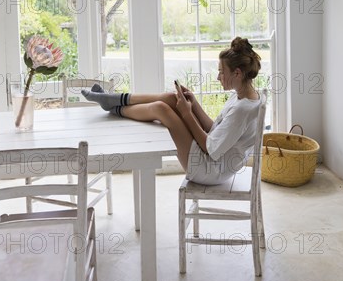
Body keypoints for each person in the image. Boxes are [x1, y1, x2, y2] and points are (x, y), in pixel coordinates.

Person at [82, 37, 262, 185]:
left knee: (162, 109)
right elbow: (214, 129)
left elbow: (210, 148)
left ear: (237, 73)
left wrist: (186, 113)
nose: (218, 77)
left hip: (209, 170)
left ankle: (112, 105)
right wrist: (195, 104)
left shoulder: (242, 110)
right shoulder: (242, 97)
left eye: (221, 72)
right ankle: (112, 100)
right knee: (170, 98)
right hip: (213, 160)